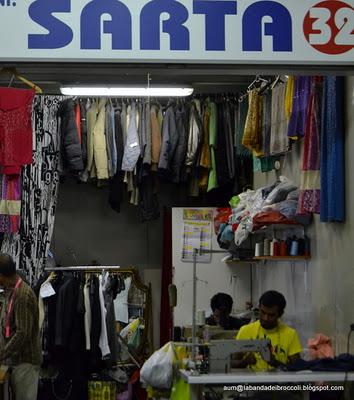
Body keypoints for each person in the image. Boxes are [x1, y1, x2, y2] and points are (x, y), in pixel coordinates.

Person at [0, 253, 41, 400]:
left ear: (2, 276)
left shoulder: (22, 295)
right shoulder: (12, 291)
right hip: (18, 362)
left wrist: (2, 354)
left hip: (26, 363)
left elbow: (22, 333)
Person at [233, 290, 302, 371]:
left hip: (280, 383)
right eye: (263, 312)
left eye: (271, 315)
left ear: (280, 314)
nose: (265, 318)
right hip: (252, 382)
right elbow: (233, 364)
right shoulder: (245, 331)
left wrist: (274, 362)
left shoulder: (290, 334)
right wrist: (244, 362)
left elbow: (298, 370)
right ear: (259, 308)